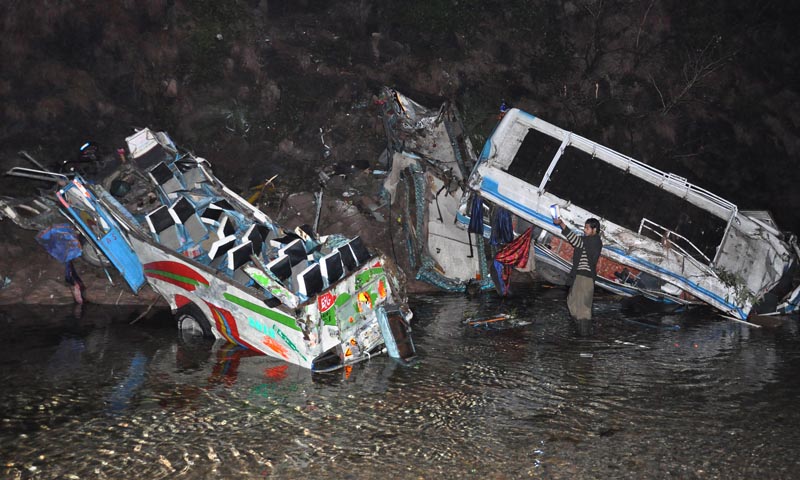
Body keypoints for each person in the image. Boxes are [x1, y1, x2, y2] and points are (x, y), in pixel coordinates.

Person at [554, 217, 602, 320]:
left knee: (582, 309)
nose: (584, 230)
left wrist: (562, 223)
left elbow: (575, 240)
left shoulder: (595, 240)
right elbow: (578, 242)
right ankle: (578, 330)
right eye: (584, 228)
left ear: (594, 230)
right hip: (580, 276)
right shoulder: (587, 240)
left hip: (585, 278)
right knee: (572, 302)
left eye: (587, 228)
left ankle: (583, 333)